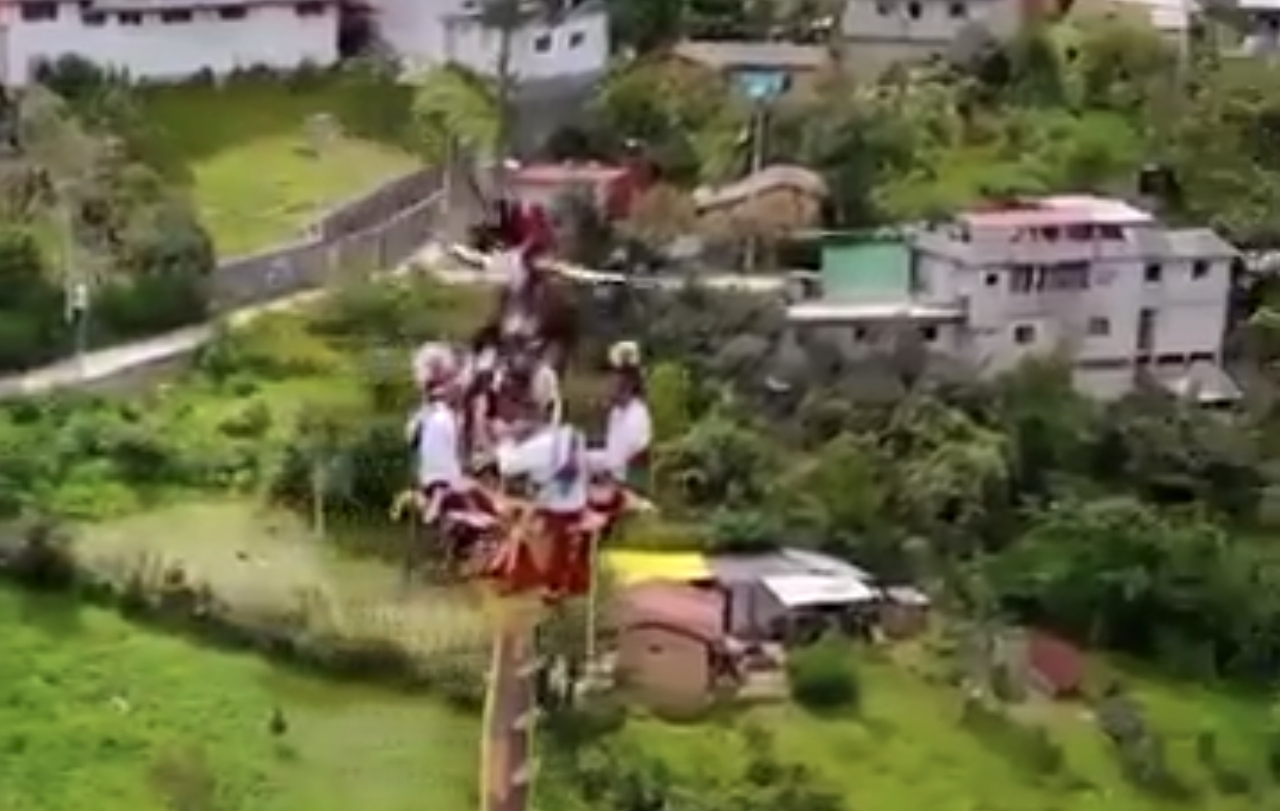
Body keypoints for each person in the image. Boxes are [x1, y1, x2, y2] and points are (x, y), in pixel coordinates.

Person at [491, 411, 592, 601]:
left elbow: (507, 465)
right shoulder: (573, 437)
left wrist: (504, 438)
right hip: (573, 508)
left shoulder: (546, 443)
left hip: (553, 513)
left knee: (513, 520)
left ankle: (525, 578)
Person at [591, 340, 653, 490]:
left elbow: (631, 471)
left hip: (626, 492)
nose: (607, 382)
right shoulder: (617, 412)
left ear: (629, 381)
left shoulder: (637, 417)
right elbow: (612, 456)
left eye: (613, 375)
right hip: (612, 484)